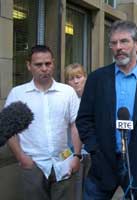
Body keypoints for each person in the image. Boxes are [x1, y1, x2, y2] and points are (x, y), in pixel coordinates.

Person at [76, 20, 137, 199]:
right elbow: (84, 119)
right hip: (103, 164)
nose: (118, 47)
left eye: (124, 41)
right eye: (113, 43)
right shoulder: (97, 79)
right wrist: (95, 151)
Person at [5, 45, 82, 200]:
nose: (44, 68)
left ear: (53, 63)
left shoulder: (66, 92)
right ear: (29, 66)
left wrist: (77, 156)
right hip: (34, 166)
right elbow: (8, 130)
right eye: (38, 65)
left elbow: (76, 125)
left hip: (64, 164)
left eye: (48, 64)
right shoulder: (18, 94)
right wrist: (22, 158)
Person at [65, 63, 91, 200]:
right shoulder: (65, 99)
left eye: (78, 77)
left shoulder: (93, 98)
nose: (75, 81)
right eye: (71, 78)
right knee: (74, 191)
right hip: (71, 153)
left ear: (85, 77)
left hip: (91, 152)